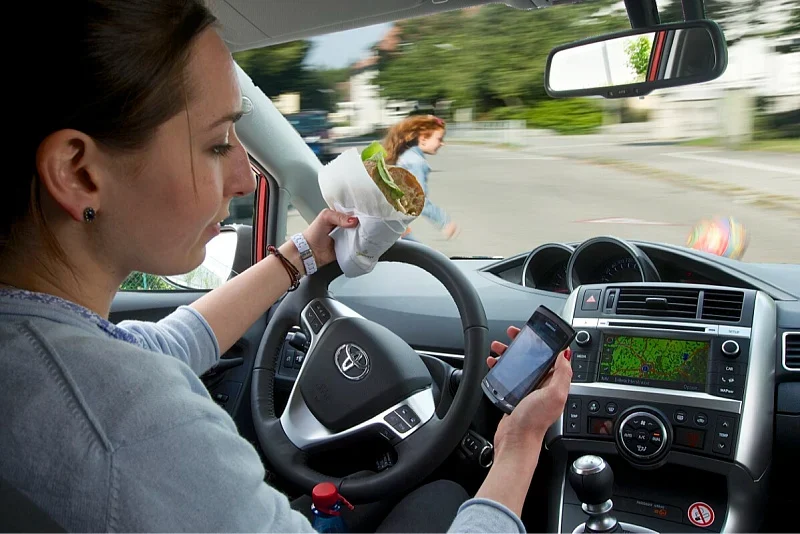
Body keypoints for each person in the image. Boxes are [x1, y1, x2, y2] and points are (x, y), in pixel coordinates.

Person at [1, 1, 572, 532]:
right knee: (442, 498)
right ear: (78, 173)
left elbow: (158, 347)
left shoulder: (42, 352)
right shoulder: (137, 430)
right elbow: (139, 380)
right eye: (217, 144)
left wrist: (301, 255)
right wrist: (519, 444)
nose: (247, 179)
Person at [384, 115, 460, 242]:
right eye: (439, 139)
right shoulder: (416, 162)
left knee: (411, 249)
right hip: (389, 222)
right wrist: (444, 221)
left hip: (389, 220)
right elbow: (418, 201)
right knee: (415, 252)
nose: (442, 143)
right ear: (423, 139)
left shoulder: (405, 155)